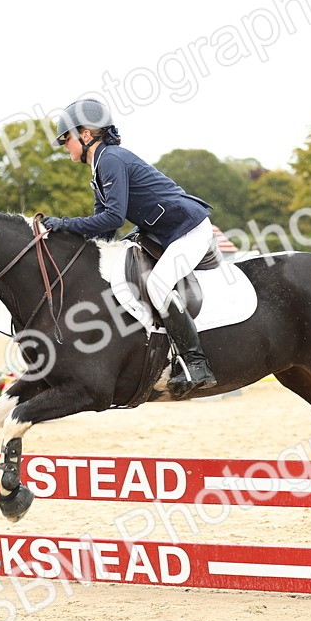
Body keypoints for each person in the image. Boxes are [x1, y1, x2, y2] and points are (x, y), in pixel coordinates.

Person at [41, 98, 217, 399]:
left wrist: (62, 223)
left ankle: (196, 363)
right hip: (165, 232)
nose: (63, 145)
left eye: (65, 138)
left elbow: (112, 217)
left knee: (159, 286)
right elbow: (107, 230)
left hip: (188, 228)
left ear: (86, 135)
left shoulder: (110, 159)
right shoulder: (99, 167)